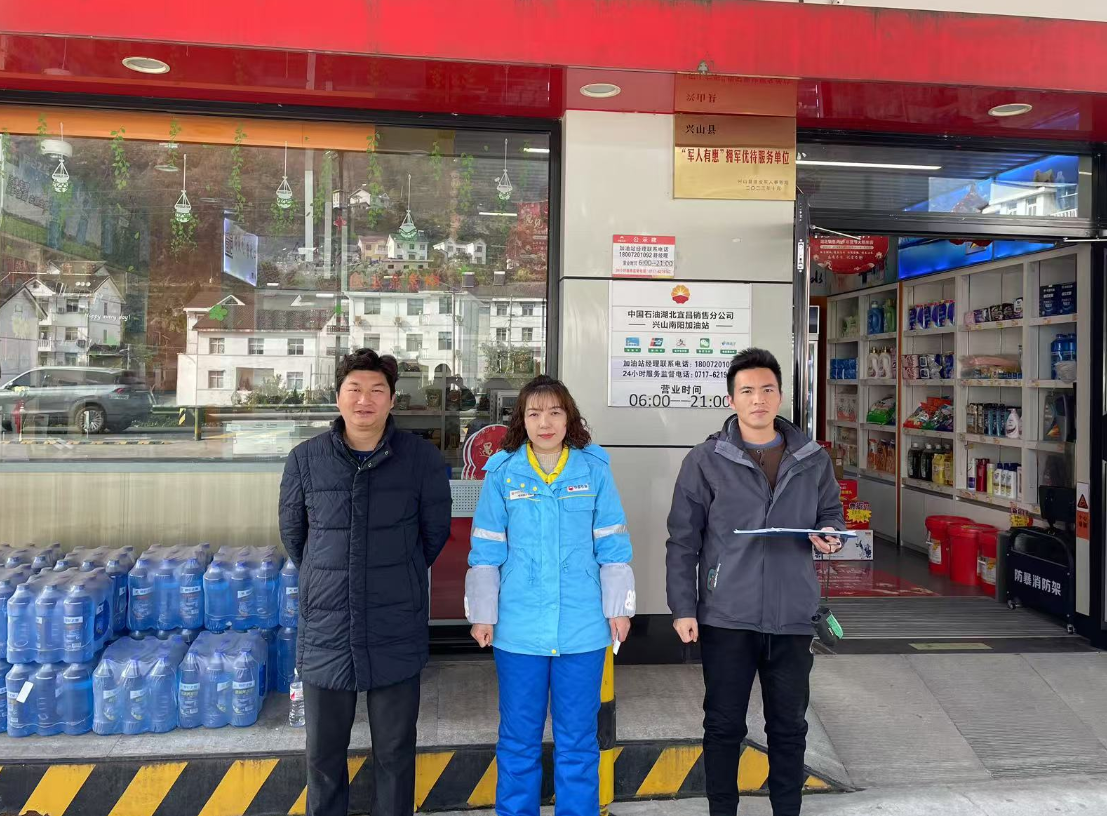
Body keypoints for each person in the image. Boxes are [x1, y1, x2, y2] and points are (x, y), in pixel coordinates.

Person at [664, 348, 844, 816]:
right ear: (731, 399)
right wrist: (683, 608)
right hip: (727, 616)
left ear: (780, 396)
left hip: (793, 615)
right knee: (723, 726)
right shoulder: (705, 460)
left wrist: (829, 534)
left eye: (767, 389)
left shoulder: (812, 458)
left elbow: (831, 513)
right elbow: (683, 540)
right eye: (747, 391)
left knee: (789, 726)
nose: (758, 399)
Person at [278, 348, 452, 816]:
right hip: (327, 626)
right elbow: (295, 537)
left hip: (395, 621)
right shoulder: (305, 459)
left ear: (392, 400)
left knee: (395, 750)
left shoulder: (421, 459)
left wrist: (398, 573)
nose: (364, 400)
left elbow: (434, 534)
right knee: (323, 755)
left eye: (377, 390)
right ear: (338, 397)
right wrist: (329, 575)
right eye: (354, 389)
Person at [465, 375, 635, 816]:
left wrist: (619, 609)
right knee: (518, 739)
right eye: (535, 413)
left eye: (555, 412)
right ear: (522, 420)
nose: (545, 423)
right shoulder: (503, 472)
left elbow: (613, 544)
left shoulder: (593, 469)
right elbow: (485, 550)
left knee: (578, 740)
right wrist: (483, 614)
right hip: (518, 629)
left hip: (582, 628)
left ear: (568, 418)